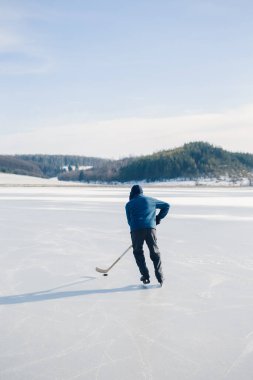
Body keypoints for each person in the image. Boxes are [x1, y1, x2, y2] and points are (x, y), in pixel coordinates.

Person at [125, 184, 170, 286]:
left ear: (132, 193)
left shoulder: (129, 204)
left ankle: (145, 276)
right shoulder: (151, 200)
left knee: (138, 252)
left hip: (136, 230)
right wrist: (158, 218)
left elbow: (129, 221)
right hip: (150, 229)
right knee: (155, 252)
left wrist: (135, 235)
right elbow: (167, 206)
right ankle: (160, 277)